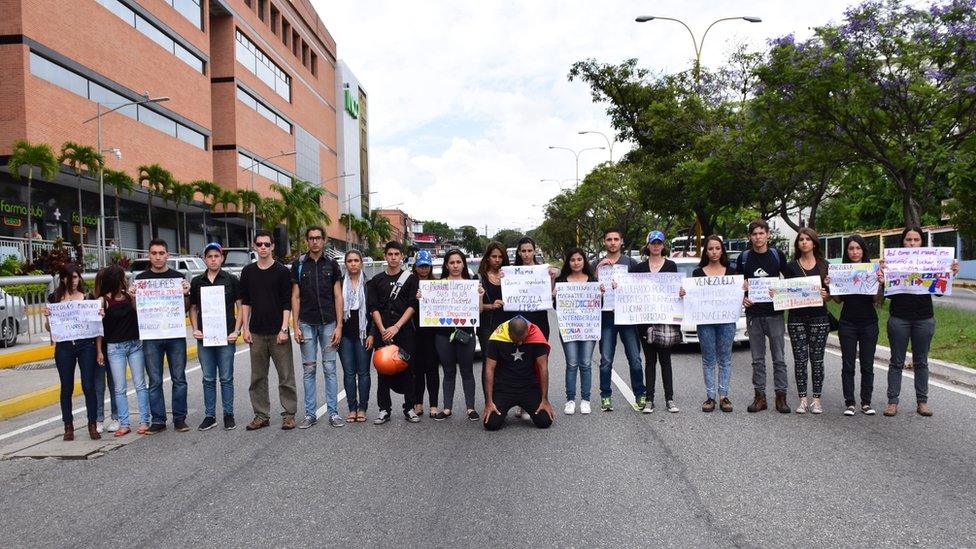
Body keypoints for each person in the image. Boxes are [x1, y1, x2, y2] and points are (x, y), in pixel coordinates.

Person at [883, 226, 960, 417]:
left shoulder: (932, 261)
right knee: (896, 362)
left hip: (924, 318)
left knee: (921, 362)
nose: (912, 243)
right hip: (899, 317)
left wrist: (950, 274)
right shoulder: (894, 261)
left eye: (916, 240)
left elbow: (939, 292)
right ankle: (892, 402)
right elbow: (888, 293)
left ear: (922, 242)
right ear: (902, 242)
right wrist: (883, 274)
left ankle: (922, 402)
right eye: (908, 240)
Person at [240, 230, 298, 430]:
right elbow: (245, 302)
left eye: (267, 244)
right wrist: (245, 329)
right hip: (256, 332)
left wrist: (284, 329)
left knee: (286, 376)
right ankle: (261, 415)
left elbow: (286, 303)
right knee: (257, 377)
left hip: (277, 333)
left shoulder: (282, 271)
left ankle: (289, 414)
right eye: (259, 244)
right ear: (254, 247)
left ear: (273, 246)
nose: (263, 247)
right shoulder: (248, 272)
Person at [291, 226, 345, 429]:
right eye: (311, 238)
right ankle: (310, 414)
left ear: (324, 241)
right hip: (306, 323)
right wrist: (294, 325)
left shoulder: (332, 265)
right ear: (307, 241)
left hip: (329, 323)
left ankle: (333, 413)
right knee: (309, 370)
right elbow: (295, 297)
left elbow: (338, 296)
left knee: (330, 369)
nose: (314, 241)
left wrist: (339, 326)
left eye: (318, 238)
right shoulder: (298, 265)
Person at [135, 239, 191, 434]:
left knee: (179, 378)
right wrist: (133, 296)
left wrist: (186, 293)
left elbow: (185, 308)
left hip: (174, 334)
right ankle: (158, 419)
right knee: (155, 380)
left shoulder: (178, 277)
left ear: (168, 255)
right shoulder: (141, 279)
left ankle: (179, 418)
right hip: (151, 336)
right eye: (154, 253)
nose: (158, 257)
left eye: (161, 253)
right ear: (149, 256)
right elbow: (137, 310)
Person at [737, 219, 791, 414]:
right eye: (754, 234)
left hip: (775, 314)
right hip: (754, 315)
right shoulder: (744, 258)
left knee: (779, 358)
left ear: (768, 234)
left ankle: (781, 397)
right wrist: (743, 296)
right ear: (750, 237)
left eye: (761, 233)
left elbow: (790, 279)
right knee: (757, 359)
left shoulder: (777, 256)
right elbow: (737, 285)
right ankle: (760, 397)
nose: (758, 237)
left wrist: (780, 292)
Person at [776, 228, 831, 414]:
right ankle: (802, 400)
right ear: (797, 244)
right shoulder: (791, 267)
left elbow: (832, 294)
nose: (804, 242)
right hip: (796, 318)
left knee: (817, 360)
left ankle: (817, 399)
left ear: (814, 243)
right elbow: (785, 291)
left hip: (819, 317)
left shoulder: (825, 265)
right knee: (800, 360)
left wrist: (827, 295)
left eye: (808, 239)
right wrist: (777, 294)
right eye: (801, 239)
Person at [366, 241, 421, 424]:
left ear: (401, 256)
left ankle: (409, 408)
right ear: (385, 256)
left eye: (397, 254)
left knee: (408, 369)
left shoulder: (411, 279)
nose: (393, 258)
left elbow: (413, 305)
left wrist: (397, 326)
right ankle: (384, 409)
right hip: (383, 331)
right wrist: (382, 330)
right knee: (383, 369)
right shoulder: (376, 281)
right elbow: (373, 308)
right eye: (390, 254)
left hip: (404, 330)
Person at [189, 243, 242, 431]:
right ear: (204, 259)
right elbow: (193, 308)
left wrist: (236, 331)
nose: (213, 259)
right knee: (208, 378)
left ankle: (229, 414)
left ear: (222, 258)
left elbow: (240, 307)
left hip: (226, 337)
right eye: (209, 256)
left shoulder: (231, 280)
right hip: (205, 337)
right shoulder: (197, 282)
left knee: (226, 378)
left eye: (216, 256)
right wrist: (195, 329)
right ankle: (210, 415)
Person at [44, 264, 99, 441]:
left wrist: (99, 315)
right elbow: (49, 328)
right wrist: (47, 318)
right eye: (69, 277)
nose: (73, 281)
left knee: (88, 385)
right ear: (62, 279)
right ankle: (68, 425)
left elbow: (95, 326)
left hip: (85, 345)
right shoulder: (54, 299)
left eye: (76, 277)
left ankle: (92, 423)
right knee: (66, 386)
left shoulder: (88, 298)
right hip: (64, 346)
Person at [829, 234, 883, 416]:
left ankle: (866, 402)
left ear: (863, 250)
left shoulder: (872, 270)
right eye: (851, 248)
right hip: (847, 322)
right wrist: (831, 285)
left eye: (858, 248)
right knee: (848, 364)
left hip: (869, 322)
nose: (854, 252)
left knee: (867, 364)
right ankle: (850, 403)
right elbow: (836, 300)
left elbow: (878, 301)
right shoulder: (841, 271)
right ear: (847, 251)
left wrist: (880, 283)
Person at [592, 228, 642, 412]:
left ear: (622, 241)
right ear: (604, 242)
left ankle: (640, 393)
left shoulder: (631, 263)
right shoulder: (596, 264)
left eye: (616, 239)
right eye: (609, 239)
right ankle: (605, 396)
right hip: (606, 316)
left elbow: (641, 289)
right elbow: (587, 289)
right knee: (606, 359)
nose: (612, 242)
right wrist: (597, 274)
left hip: (627, 316)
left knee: (635, 358)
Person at [96, 265, 149, 436]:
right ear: (116, 280)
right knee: (119, 388)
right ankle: (124, 423)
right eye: (123, 278)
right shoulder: (103, 300)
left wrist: (135, 298)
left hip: (134, 344)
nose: (126, 281)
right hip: (114, 347)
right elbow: (97, 329)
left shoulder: (128, 296)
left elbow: (140, 312)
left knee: (140, 384)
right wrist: (99, 350)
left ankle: (144, 421)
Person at [631, 230, 680, 414]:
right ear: (648, 245)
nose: (656, 246)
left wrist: (680, 292)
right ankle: (649, 399)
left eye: (659, 243)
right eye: (653, 243)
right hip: (645, 321)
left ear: (663, 245)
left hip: (665, 320)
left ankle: (670, 399)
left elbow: (674, 291)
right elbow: (632, 291)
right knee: (650, 361)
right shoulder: (639, 268)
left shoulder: (671, 266)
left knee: (665, 360)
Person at [687, 235, 737, 413]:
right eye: (710, 249)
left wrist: (743, 290)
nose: (714, 252)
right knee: (708, 360)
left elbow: (738, 295)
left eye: (717, 248)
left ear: (722, 250)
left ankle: (724, 396)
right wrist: (686, 293)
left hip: (727, 321)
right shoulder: (698, 273)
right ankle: (710, 397)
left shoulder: (732, 272)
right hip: (705, 322)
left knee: (725, 359)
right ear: (705, 252)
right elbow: (692, 297)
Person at [431, 250, 482, 421]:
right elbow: (430, 309)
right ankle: (446, 408)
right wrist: (423, 298)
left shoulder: (471, 284)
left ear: (463, 264)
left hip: (465, 332)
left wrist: (480, 297)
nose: (455, 266)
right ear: (446, 265)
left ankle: (470, 408)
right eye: (452, 262)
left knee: (467, 370)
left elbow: (479, 311)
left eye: (458, 262)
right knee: (448, 370)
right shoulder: (437, 285)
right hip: (443, 334)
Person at [483, 316, 554, 431]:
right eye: (516, 340)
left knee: (545, 422)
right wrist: (489, 402)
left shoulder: (535, 335)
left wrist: (544, 399)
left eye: (523, 339)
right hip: (504, 388)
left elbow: (543, 368)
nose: (520, 342)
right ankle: (503, 412)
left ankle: (524, 406)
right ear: (508, 333)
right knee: (491, 424)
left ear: (527, 331)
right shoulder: (497, 338)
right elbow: (489, 369)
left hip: (528, 388)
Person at [553, 247, 598, 415]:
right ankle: (570, 399)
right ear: (568, 262)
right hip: (569, 328)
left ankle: (585, 400)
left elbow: (598, 306)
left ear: (584, 261)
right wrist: (555, 294)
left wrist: (599, 294)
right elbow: (557, 307)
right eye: (572, 260)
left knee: (586, 363)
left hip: (589, 328)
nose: (576, 263)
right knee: (572, 364)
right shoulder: (562, 281)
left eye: (579, 259)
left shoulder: (593, 281)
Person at [338, 250, 374, 423]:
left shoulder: (369, 283)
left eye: (356, 260)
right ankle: (352, 408)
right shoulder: (338, 284)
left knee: (364, 373)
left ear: (361, 263)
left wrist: (372, 334)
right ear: (345, 263)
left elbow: (375, 311)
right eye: (349, 261)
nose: (353, 263)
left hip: (363, 334)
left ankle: (362, 408)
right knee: (349, 373)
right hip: (344, 334)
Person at [477, 241, 510, 396]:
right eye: (494, 256)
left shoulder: (510, 275)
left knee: (505, 363)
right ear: (488, 258)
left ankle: (502, 399)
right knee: (488, 362)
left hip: (508, 325)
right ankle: (489, 400)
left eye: (500, 257)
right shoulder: (480, 278)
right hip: (487, 326)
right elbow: (477, 308)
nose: (497, 260)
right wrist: (491, 305)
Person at [411, 250, 440, 418]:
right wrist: (415, 298)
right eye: (421, 266)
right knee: (417, 370)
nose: (424, 269)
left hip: (432, 333)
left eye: (426, 266)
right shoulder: (410, 283)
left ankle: (434, 404)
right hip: (414, 332)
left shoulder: (436, 284)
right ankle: (418, 402)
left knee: (432, 369)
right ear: (416, 267)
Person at [511, 237, 554, 340]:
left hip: (540, 320)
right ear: (519, 253)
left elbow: (549, 293)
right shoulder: (511, 272)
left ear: (534, 252)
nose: (526, 254)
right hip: (519, 322)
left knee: (541, 354)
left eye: (529, 251)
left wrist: (552, 278)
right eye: (523, 251)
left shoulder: (544, 271)